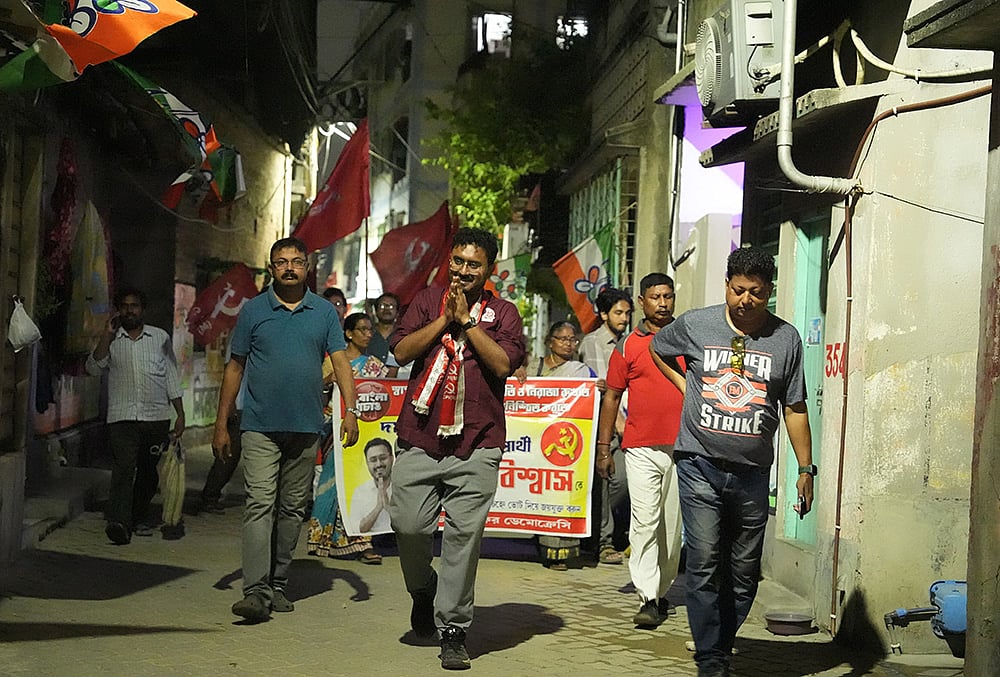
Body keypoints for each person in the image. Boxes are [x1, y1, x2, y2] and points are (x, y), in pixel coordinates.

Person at [650, 246, 814, 677]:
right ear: (727, 285)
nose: (745, 300)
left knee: (743, 572)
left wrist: (805, 469)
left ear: (769, 292)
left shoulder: (786, 339)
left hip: (753, 474)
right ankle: (711, 659)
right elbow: (659, 349)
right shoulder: (696, 324)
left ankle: (720, 643)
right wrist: (686, 385)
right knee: (703, 559)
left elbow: (795, 407)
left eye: (756, 293)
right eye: (738, 290)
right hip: (699, 463)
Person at [388, 227, 525, 671]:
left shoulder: (503, 312)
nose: (465, 270)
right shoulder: (428, 300)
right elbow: (402, 351)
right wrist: (445, 319)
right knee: (408, 526)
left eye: (475, 264)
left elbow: (504, 364)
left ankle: (453, 630)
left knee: (464, 541)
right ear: (450, 262)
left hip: (477, 442)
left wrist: (467, 322)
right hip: (420, 437)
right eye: (459, 262)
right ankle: (422, 589)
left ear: (489, 270)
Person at [213, 237, 360, 624]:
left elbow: (341, 362)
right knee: (259, 503)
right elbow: (235, 366)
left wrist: (351, 411)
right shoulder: (254, 311)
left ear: (308, 266)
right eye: (282, 262)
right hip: (259, 426)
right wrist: (222, 423)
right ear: (272, 268)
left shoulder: (325, 313)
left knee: (292, 508)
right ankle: (255, 590)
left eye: (297, 261)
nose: (290, 268)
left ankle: (278, 581)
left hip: (306, 426)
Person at [596, 273, 684, 628]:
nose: (662, 303)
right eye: (655, 297)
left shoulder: (689, 338)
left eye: (668, 296)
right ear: (642, 302)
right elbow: (612, 397)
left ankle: (662, 591)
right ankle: (648, 596)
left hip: (685, 448)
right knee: (644, 522)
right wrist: (604, 448)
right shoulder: (627, 345)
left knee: (673, 527)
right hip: (640, 447)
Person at [87, 288, 185, 545]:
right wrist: (106, 336)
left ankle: (138, 516)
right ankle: (119, 522)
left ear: (143, 309)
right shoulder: (112, 340)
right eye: (125, 306)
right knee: (123, 469)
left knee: (148, 472)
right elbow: (94, 367)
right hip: (122, 417)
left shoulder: (160, 337)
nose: (130, 310)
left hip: (156, 418)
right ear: (119, 310)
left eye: (135, 305)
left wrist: (180, 414)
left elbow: (171, 376)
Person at [307, 312, 393, 564]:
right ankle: (323, 538)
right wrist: (328, 381)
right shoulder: (332, 362)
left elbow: (392, 386)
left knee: (357, 484)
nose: (368, 334)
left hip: (363, 434)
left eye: (370, 331)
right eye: (363, 330)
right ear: (348, 333)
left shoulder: (374, 365)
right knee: (334, 485)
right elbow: (315, 391)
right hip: (334, 429)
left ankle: (361, 542)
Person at [519, 321, 594, 570]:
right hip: (534, 441)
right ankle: (539, 541)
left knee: (560, 494)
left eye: (573, 339)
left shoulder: (579, 370)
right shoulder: (534, 366)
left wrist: (595, 389)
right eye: (563, 339)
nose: (568, 344)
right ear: (550, 341)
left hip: (562, 440)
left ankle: (559, 553)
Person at [578, 287, 633, 565]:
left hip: (630, 424)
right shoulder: (594, 343)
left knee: (622, 482)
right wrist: (618, 421)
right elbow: (604, 386)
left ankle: (598, 533)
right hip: (604, 423)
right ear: (603, 314)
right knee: (607, 481)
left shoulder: (630, 342)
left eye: (627, 313)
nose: (624, 318)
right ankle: (601, 540)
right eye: (618, 312)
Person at [347, 437, 394, 534]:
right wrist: (378, 508)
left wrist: (389, 508)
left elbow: (414, 525)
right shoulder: (360, 491)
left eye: (383, 458)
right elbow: (357, 529)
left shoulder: (404, 487)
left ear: (392, 458)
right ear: (367, 463)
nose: (378, 464)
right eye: (373, 460)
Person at [366, 291, 400, 363]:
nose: (386, 309)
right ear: (376, 310)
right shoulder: (366, 334)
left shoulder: (402, 335)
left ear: (397, 312)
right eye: (382, 305)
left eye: (391, 306)